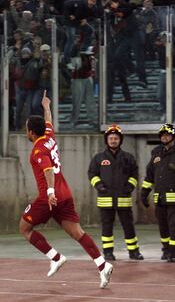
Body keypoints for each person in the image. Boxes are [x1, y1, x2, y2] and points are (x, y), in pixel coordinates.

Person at [19, 91, 113, 289]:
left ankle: (55, 257)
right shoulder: (50, 137)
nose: (25, 131)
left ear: (31, 133)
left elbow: (48, 170)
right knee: (77, 232)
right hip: (66, 194)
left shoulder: (38, 149)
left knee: (24, 227)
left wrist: (50, 192)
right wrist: (46, 107)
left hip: (49, 198)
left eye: (26, 129)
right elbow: (49, 121)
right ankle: (102, 265)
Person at [141, 124, 175, 263]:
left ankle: (174, 252)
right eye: (163, 135)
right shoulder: (156, 153)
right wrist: (144, 192)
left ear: (173, 137)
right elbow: (149, 176)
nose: (165, 137)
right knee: (163, 226)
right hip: (160, 198)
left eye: (168, 135)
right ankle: (166, 250)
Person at [88, 124, 144, 261]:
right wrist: (99, 186)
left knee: (128, 226)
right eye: (111, 138)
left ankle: (134, 252)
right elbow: (92, 174)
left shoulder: (128, 158)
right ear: (107, 140)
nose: (113, 140)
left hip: (123, 198)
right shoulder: (99, 158)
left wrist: (130, 187)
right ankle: (107, 252)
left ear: (120, 140)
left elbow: (135, 174)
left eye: (116, 138)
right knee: (107, 228)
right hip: (105, 199)